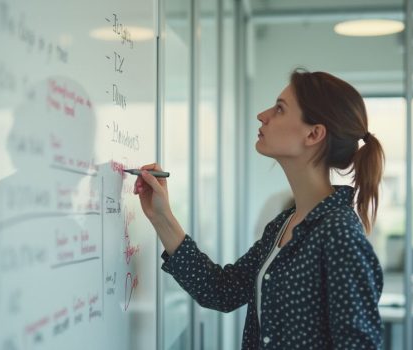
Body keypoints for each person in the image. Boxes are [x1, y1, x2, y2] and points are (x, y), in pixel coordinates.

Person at [134, 69, 385, 349]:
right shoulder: (285, 223)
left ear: (313, 134)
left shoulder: (339, 234)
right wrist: (161, 216)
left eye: (280, 109)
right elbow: (222, 291)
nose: (263, 115)